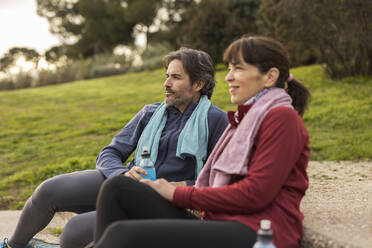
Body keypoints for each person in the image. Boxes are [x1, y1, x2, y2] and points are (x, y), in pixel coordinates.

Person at [89, 35, 311, 248]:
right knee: (118, 187)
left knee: (122, 236)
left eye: (239, 68)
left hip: (256, 231)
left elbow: (255, 194)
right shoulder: (247, 119)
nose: (228, 76)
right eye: (230, 68)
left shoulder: (282, 119)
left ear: (270, 76)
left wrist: (177, 193)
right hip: (221, 222)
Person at [0, 48, 228, 248]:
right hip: (124, 183)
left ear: (198, 84)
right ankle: (15, 246)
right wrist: (121, 174)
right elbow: (110, 152)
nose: (166, 83)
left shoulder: (216, 120)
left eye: (176, 77)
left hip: (163, 200)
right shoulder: (150, 113)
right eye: (167, 76)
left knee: (74, 232)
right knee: (49, 190)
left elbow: (219, 181)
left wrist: (175, 187)